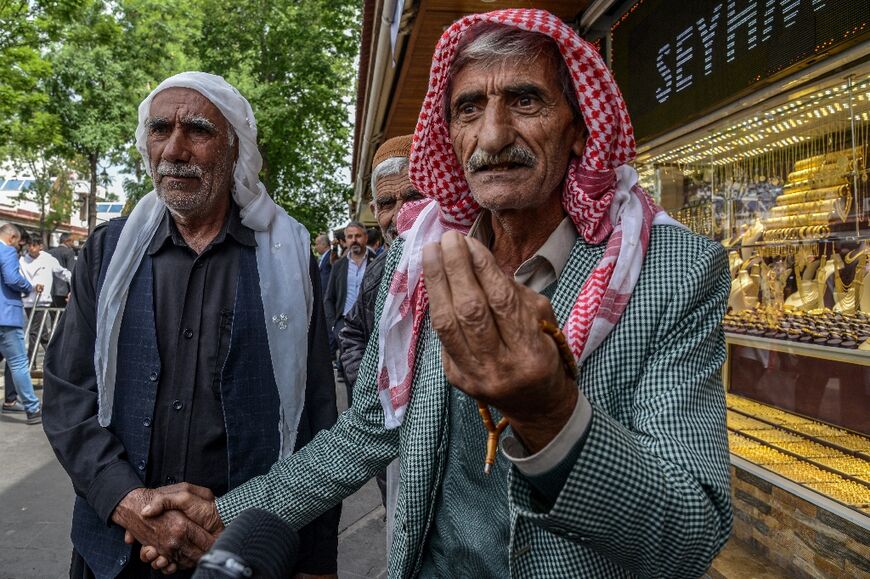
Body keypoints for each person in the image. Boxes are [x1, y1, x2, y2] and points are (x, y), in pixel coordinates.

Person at [137, 11, 732, 578]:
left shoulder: (670, 271)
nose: (493, 136)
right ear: (448, 134)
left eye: (526, 101)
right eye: (469, 108)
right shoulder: (416, 260)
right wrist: (227, 514)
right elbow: (368, 431)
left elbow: (691, 535)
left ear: (578, 130)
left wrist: (553, 416)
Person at [42, 72, 340, 579]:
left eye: (197, 130)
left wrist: (317, 563)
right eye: (160, 129)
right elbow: (69, 396)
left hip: (238, 546)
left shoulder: (286, 259)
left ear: (235, 149)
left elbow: (315, 418)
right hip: (117, 545)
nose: (174, 149)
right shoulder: (108, 253)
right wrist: (127, 501)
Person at [339, 133, 420, 537]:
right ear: (375, 212)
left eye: (414, 197)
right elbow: (351, 331)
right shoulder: (381, 268)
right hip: (389, 434)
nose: (400, 216)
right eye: (388, 204)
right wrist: (370, 381)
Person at [324, 221, 373, 395]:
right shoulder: (339, 266)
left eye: (358, 236)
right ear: (345, 240)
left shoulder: (377, 262)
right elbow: (328, 298)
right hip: (344, 327)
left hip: (371, 328)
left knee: (372, 374)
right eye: (350, 236)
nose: (354, 240)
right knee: (351, 376)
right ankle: (354, 416)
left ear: (365, 237)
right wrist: (334, 326)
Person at [0, 223, 42, 424]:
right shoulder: (7, 251)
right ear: (12, 238)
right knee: (18, 362)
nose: (18, 247)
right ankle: (33, 409)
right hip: (6, 316)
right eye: (18, 243)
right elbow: (11, 278)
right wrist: (29, 287)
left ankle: (11, 401)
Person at [16, 234, 71, 359]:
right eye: (29, 245)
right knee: (40, 332)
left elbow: (62, 272)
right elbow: (20, 279)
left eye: (34, 245)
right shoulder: (22, 261)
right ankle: (49, 358)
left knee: (37, 331)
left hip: (43, 300)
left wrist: (73, 283)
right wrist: (33, 286)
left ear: (40, 246)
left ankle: (35, 360)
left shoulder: (48, 259)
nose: (31, 248)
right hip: (29, 300)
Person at [48, 232, 77, 307]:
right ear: (67, 241)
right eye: (72, 241)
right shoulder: (69, 252)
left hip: (51, 289)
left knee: (53, 315)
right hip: (64, 291)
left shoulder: (49, 252)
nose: (73, 244)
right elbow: (71, 271)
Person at [314, 233, 332, 297]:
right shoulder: (323, 257)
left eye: (317, 244)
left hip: (327, 294)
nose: (316, 247)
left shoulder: (331, 256)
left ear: (324, 244)